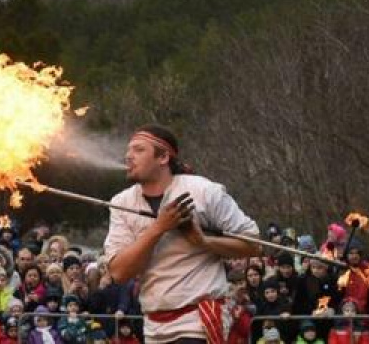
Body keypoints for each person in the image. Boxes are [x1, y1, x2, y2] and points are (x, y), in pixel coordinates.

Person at [105, 125, 260, 343]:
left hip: (198, 320)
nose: (128, 156)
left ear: (163, 157)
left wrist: (203, 242)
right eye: (128, 150)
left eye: (139, 150)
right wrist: (158, 228)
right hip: (153, 325)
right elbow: (119, 272)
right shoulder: (121, 203)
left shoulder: (204, 191)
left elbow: (253, 244)